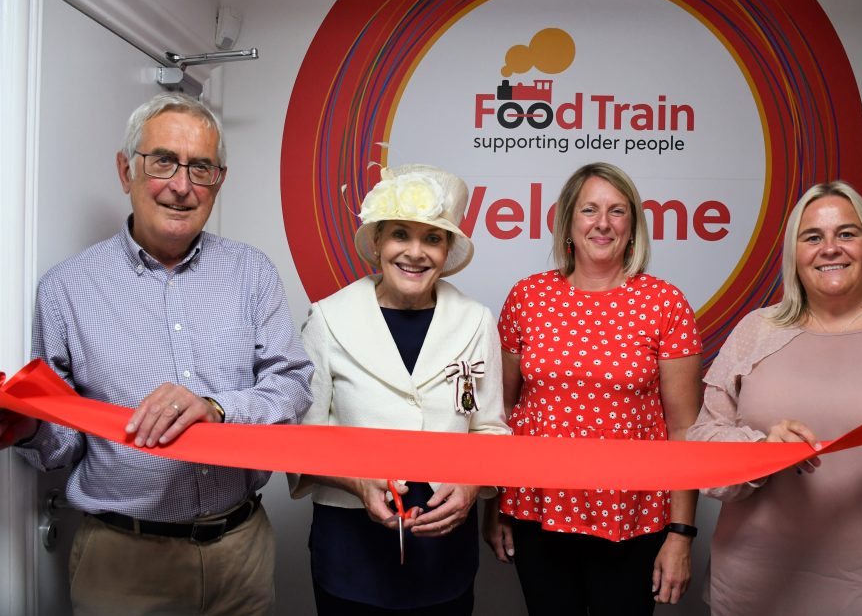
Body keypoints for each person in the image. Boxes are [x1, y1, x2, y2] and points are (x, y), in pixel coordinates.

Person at [0, 92, 313, 615]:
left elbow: (293, 385)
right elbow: (63, 442)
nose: (182, 186)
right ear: (126, 171)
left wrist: (216, 408)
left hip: (241, 554)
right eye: (162, 161)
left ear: (220, 180)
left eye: (201, 168)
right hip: (123, 566)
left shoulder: (252, 273)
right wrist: (26, 427)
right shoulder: (65, 290)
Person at [688, 180, 862, 616]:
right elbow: (701, 445)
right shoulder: (756, 331)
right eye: (813, 237)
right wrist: (761, 453)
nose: (830, 248)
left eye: (847, 233)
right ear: (794, 254)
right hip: (762, 585)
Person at [288, 163, 509, 615]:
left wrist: (470, 486)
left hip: (443, 549)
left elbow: (490, 430)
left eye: (432, 238)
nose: (416, 252)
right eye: (400, 235)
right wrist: (356, 481)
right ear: (377, 243)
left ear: (447, 250)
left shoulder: (476, 321)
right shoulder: (328, 319)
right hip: (351, 548)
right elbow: (301, 443)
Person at [484, 162, 703, 614]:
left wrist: (681, 535)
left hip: (633, 516)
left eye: (616, 211)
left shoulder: (665, 303)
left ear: (632, 226)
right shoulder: (527, 297)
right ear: (568, 221)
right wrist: (497, 507)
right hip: (536, 511)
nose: (602, 223)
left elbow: (684, 429)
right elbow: (502, 411)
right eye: (589, 209)